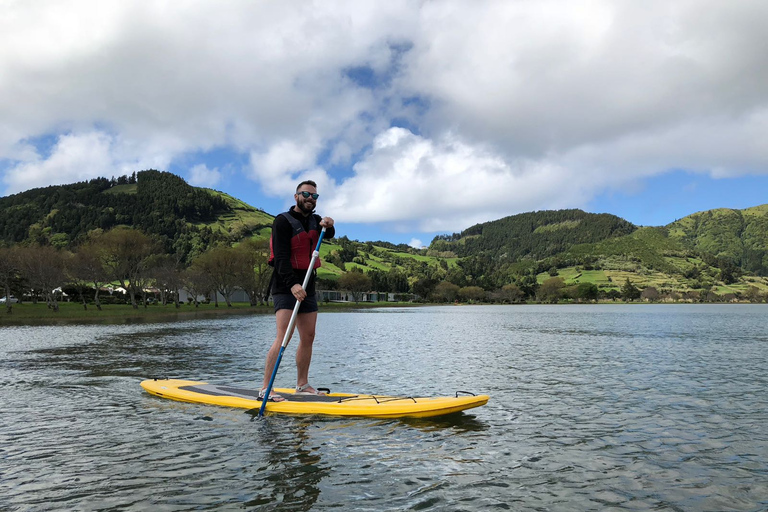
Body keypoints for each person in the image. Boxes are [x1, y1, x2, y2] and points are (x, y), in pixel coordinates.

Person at [260, 180, 335, 401]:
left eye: (314, 196)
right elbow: (281, 257)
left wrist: (329, 224)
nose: (310, 198)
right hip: (286, 285)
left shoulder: (314, 221)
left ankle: (302, 385)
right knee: (284, 336)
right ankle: (266, 388)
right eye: (306, 194)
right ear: (296, 197)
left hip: (308, 284)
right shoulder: (282, 221)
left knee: (308, 336)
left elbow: (328, 234)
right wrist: (293, 284)